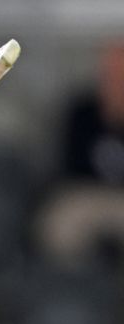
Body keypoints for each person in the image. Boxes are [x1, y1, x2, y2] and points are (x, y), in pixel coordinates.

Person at [35, 38, 124, 269]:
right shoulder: (82, 110)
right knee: (60, 225)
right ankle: (74, 291)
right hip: (87, 192)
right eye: (112, 71)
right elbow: (68, 163)